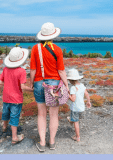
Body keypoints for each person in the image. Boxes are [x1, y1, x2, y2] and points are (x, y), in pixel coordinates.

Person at [30, 22, 69, 152]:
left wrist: (31, 83)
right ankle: (51, 142)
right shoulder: (57, 50)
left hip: (39, 83)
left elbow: (33, 70)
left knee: (41, 114)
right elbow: (61, 71)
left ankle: (41, 143)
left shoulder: (35, 49)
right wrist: (67, 85)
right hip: (54, 85)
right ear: (53, 35)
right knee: (54, 115)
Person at [0, 47, 33, 145]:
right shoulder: (21, 71)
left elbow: (0, 81)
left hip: (6, 97)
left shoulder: (5, 69)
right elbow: (22, 87)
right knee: (14, 117)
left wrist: (5, 86)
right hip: (16, 99)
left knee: (5, 113)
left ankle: (4, 127)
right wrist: (32, 90)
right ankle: (14, 137)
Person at [66, 69, 91, 142]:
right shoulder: (82, 85)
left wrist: (68, 95)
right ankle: (71, 120)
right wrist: (88, 101)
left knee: (76, 122)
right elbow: (86, 94)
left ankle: (77, 137)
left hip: (75, 108)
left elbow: (73, 99)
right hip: (82, 108)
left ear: (70, 80)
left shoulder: (73, 88)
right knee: (76, 119)